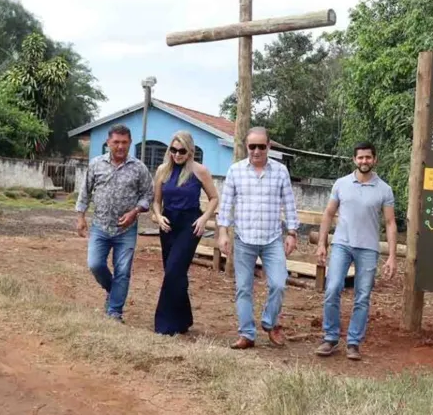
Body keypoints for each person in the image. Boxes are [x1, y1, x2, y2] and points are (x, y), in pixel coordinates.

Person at [314, 141, 397, 361]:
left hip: (369, 248)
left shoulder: (384, 189)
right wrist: (322, 243)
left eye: (368, 157)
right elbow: (329, 214)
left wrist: (391, 256)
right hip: (342, 244)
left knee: (362, 296)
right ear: (354, 160)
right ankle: (330, 337)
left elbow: (389, 223)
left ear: (375, 159)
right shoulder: (341, 184)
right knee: (332, 288)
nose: (364, 161)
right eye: (360, 157)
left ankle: (353, 342)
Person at [217, 127, 299, 349]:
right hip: (244, 238)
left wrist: (292, 233)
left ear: (269, 147)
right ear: (246, 147)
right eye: (252, 146)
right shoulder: (235, 171)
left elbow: (289, 204)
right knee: (243, 287)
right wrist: (223, 232)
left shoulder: (281, 171)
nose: (256, 151)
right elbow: (226, 205)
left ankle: (269, 322)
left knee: (279, 284)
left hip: (272, 239)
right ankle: (247, 334)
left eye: (261, 146)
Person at [75, 124, 153, 322]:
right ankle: (112, 290)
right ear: (108, 142)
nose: (120, 146)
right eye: (116, 142)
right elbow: (86, 190)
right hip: (100, 226)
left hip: (126, 230)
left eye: (124, 142)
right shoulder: (96, 164)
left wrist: (135, 212)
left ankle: (115, 312)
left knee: (123, 271)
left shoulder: (139, 168)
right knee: (95, 264)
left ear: (130, 143)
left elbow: (147, 196)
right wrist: (81, 216)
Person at [151, 130, 219, 336]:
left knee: (173, 271)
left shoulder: (200, 171)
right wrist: (158, 216)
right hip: (168, 224)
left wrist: (204, 218)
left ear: (190, 151)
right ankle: (184, 319)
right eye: (173, 150)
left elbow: (214, 198)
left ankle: (164, 324)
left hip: (190, 224)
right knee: (175, 274)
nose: (177, 155)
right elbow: (156, 201)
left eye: (181, 151)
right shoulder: (162, 170)